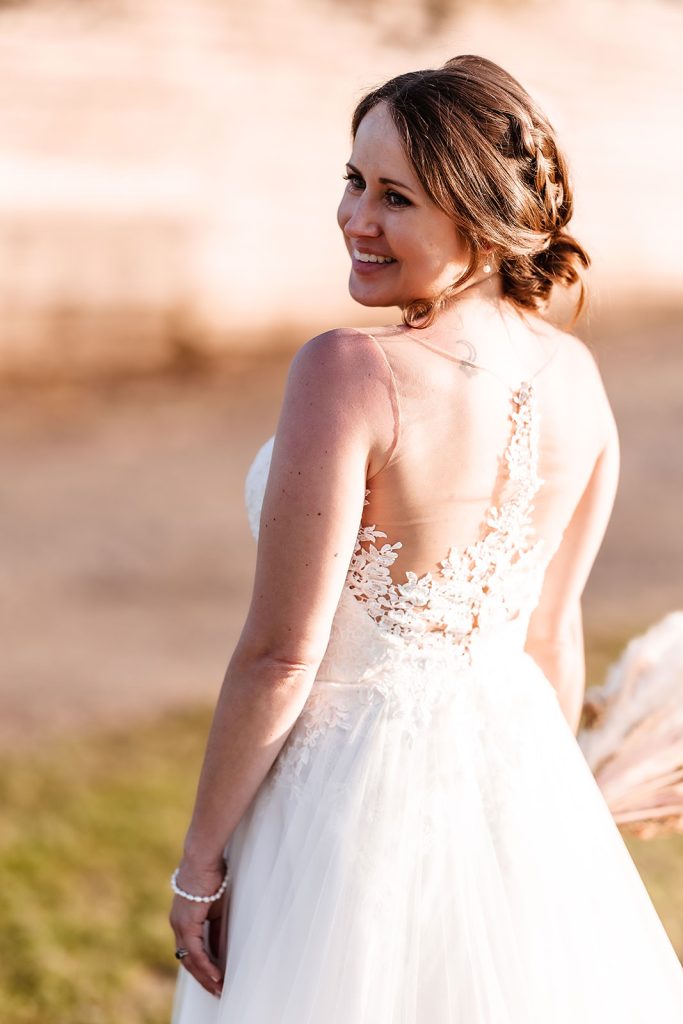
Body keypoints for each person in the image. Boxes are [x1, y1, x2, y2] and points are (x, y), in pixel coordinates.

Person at [169, 54, 683, 1022]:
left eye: (394, 197)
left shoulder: (347, 371)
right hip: (512, 791)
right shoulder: (577, 379)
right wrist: (552, 818)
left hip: (338, 817)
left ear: (480, 219)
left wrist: (200, 860)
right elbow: (547, 639)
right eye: (352, 181)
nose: (355, 219)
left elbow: (281, 655)